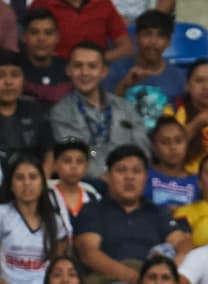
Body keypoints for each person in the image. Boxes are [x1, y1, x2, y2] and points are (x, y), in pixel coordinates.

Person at [73, 144, 190, 284]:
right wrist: (136, 278)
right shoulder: (93, 210)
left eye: (136, 171)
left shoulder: (157, 212)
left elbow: (183, 242)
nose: (129, 177)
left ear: (145, 178)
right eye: (122, 170)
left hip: (154, 283)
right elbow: (89, 254)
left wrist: (168, 272)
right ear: (108, 176)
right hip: (108, 283)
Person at [51, 42, 150, 180]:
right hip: (87, 185)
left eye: (92, 66)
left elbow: (142, 150)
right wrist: (110, 178)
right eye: (78, 66)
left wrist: (126, 175)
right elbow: (74, 158)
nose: (85, 72)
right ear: (69, 70)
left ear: (104, 72)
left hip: (129, 181)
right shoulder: (61, 112)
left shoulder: (126, 107)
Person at [0, 154, 66, 284]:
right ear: (11, 184)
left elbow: (58, 265)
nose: (27, 183)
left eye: (33, 177)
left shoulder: (55, 220)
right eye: (20, 178)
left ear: (42, 183)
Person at [105, 10, 185, 133]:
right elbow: (103, 113)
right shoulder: (116, 69)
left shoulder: (179, 77)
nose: (153, 42)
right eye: (147, 34)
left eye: (161, 36)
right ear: (136, 37)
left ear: (168, 42)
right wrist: (124, 85)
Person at [0, 49, 55, 162]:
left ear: (23, 79)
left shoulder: (36, 109)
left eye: (15, 75)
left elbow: (49, 152)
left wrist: (42, 178)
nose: (8, 82)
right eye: (0, 76)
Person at [30, 0, 133, 63]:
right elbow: (30, 47)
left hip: (97, 76)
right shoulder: (41, 3)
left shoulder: (103, 3)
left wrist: (94, 61)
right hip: (56, 76)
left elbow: (126, 48)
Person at [47, 137, 100, 241]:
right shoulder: (46, 197)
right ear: (55, 165)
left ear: (86, 167)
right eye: (67, 161)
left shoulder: (94, 196)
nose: (74, 166)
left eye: (79, 161)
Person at [164, 60, 208, 175]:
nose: (206, 87)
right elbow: (166, 151)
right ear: (187, 86)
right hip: (182, 182)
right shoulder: (172, 110)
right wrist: (198, 122)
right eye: (199, 81)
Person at [21, 7, 71, 104]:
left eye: (48, 33)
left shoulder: (69, 70)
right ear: (24, 37)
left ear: (57, 38)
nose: (41, 38)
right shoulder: (14, 69)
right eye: (34, 32)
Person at [146, 117, 199, 210]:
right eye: (165, 142)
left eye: (178, 141)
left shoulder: (199, 182)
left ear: (186, 144)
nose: (173, 147)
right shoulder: (144, 177)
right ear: (154, 147)